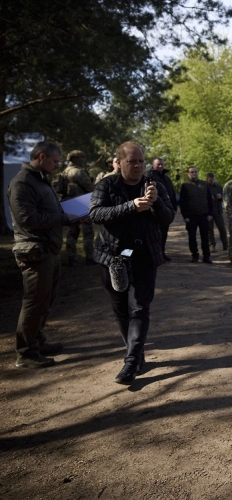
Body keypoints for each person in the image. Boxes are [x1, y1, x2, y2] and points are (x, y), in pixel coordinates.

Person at [89, 141, 175, 384]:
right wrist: (130, 207)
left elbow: (168, 217)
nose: (137, 165)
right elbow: (95, 213)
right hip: (112, 257)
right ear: (120, 162)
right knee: (120, 310)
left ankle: (130, 363)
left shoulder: (153, 185)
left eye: (140, 161)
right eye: (132, 161)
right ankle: (135, 353)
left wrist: (156, 201)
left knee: (139, 308)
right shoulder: (106, 185)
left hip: (144, 256)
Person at [8, 141, 75, 368]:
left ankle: (36, 341)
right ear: (42, 156)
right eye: (55, 161)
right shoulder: (22, 183)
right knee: (34, 302)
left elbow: (50, 211)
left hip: (49, 249)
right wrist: (64, 218)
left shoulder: (42, 181)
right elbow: (28, 219)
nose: (57, 166)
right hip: (35, 251)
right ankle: (25, 353)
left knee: (45, 300)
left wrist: (72, 212)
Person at [62, 150, 95, 267]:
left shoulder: (64, 172)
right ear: (75, 159)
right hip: (82, 204)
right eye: (81, 158)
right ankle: (90, 258)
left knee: (72, 233)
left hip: (70, 205)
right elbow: (89, 187)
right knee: (88, 232)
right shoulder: (78, 172)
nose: (83, 160)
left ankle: (72, 259)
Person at [179, 166, 213, 264]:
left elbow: (210, 200)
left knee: (205, 237)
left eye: (195, 172)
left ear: (198, 173)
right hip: (191, 216)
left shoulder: (204, 184)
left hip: (204, 215)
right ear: (188, 174)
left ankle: (206, 256)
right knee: (192, 237)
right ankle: (195, 255)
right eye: (192, 172)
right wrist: (185, 216)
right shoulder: (185, 186)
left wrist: (210, 214)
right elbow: (183, 202)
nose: (194, 174)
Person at [149, 158, 177, 261]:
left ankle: (162, 253)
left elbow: (172, 193)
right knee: (156, 235)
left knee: (164, 234)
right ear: (153, 165)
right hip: (155, 211)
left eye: (161, 164)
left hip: (166, 211)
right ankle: (156, 255)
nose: (160, 166)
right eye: (158, 165)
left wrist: (173, 207)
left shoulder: (166, 178)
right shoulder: (150, 177)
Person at [206, 172, 228, 253]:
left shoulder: (218, 186)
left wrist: (220, 197)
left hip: (218, 210)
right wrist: (208, 198)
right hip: (209, 211)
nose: (212, 181)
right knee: (210, 229)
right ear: (207, 179)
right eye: (210, 180)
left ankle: (225, 244)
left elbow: (224, 197)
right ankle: (212, 245)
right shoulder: (205, 187)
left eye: (213, 179)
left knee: (222, 227)